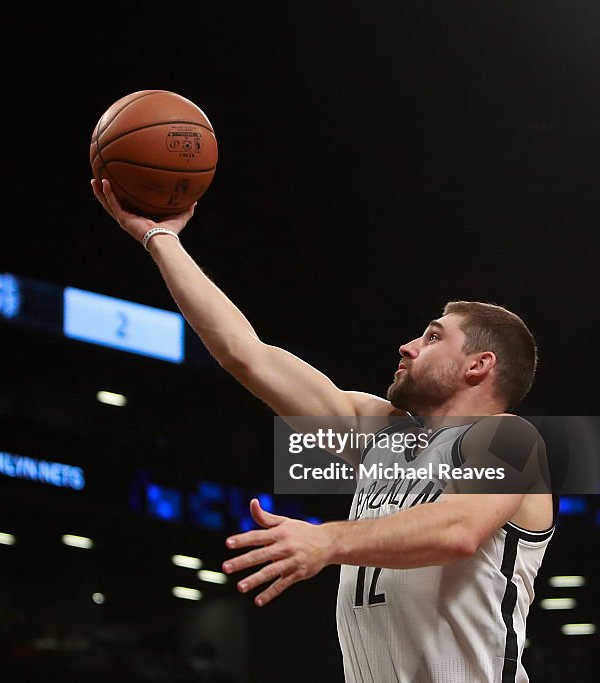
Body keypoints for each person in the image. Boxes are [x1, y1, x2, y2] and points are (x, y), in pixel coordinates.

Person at [90, 178, 555, 682]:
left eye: (433, 337)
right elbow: (245, 354)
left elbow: (460, 530)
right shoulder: (381, 433)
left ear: (478, 365)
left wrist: (327, 541)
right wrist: (160, 238)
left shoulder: (512, 440)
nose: (408, 346)